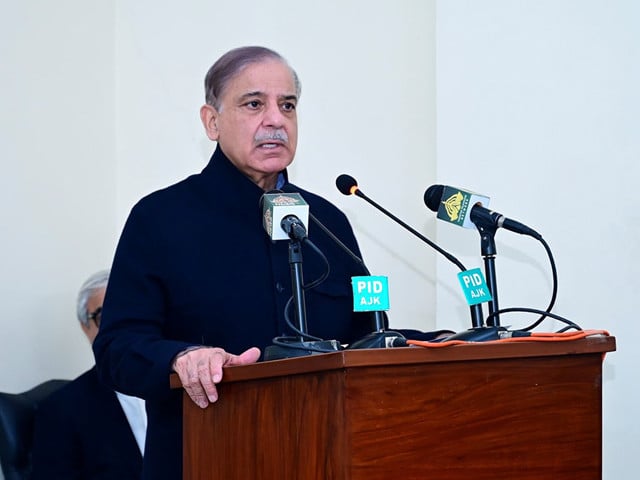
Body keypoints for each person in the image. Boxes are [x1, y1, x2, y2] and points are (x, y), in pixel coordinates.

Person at [93, 46, 373, 480]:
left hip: (324, 457)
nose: (276, 120)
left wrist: (451, 343)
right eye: (254, 104)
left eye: (288, 105)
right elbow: (116, 350)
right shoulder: (160, 219)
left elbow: (368, 342)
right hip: (205, 457)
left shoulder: (329, 222)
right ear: (212, 121)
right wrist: (181, 357)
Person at [32, 270, 146, 479]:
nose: (118, 327)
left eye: (128, 314)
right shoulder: (62, 410)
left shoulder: (183, 390)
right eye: (104, 316)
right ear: (86, 328)